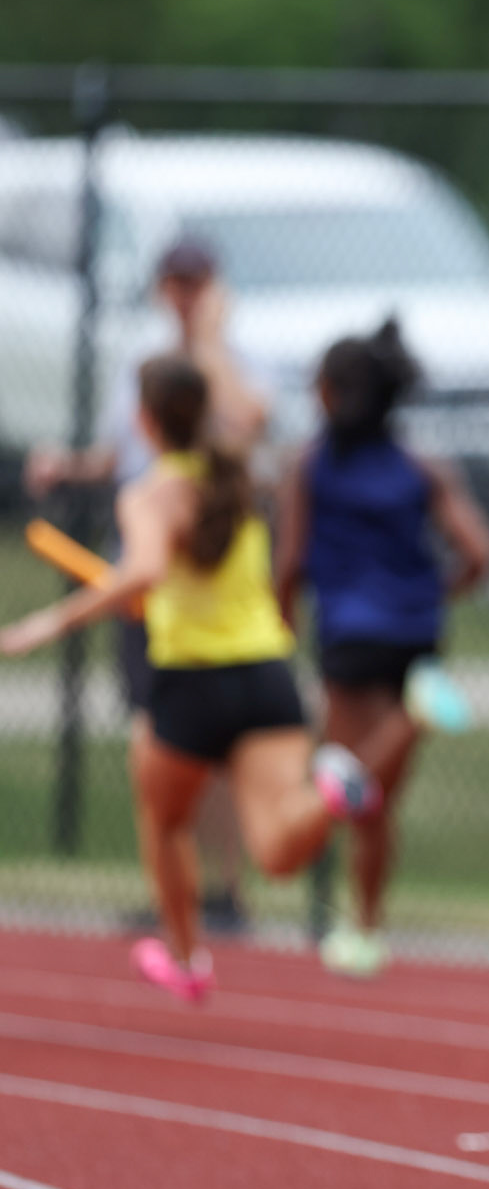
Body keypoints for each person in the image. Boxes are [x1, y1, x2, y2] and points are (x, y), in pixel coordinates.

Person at [0, 357, 402, 1000]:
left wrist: (47, 624)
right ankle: (329, 790)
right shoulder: (237, 477)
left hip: (189, 681)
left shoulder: (150, 491)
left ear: (144, 419)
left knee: (164, 825)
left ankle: (188, 961)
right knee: (277, 849)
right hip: (266, 674)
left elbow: (145, 571)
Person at [24, 238, 267, 934]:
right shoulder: (144, 371)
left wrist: (213, 345)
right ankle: (176, 888)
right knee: (157, 739)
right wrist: (68, 467)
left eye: (197, 283)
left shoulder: (233, 367)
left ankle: (226, 890)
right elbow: (121, 454)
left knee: (212, 748)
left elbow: (248, 425)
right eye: (175, 283)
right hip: (145, 588)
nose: (185, 295)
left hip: (208, 593)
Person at [275, 320, 489, 976]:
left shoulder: (308, 465)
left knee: (348, 786)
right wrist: (440, 593)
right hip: (416, 632)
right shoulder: (423, 466)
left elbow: (288, 560)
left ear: (327, 392)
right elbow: (480, 553)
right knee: (376, 801)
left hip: (348, 629)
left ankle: (414, 715)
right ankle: (366, 932)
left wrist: (279, 621)